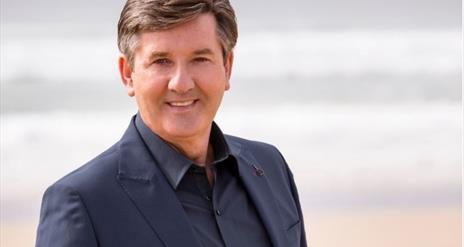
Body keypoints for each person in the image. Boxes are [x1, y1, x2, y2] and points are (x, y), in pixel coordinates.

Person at [35, 0, 307, 246]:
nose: (181, 83)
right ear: (128, 74)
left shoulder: (270, 166)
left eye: (200, 59)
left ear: (227, 67)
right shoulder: (82, 203)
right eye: (161, 61)